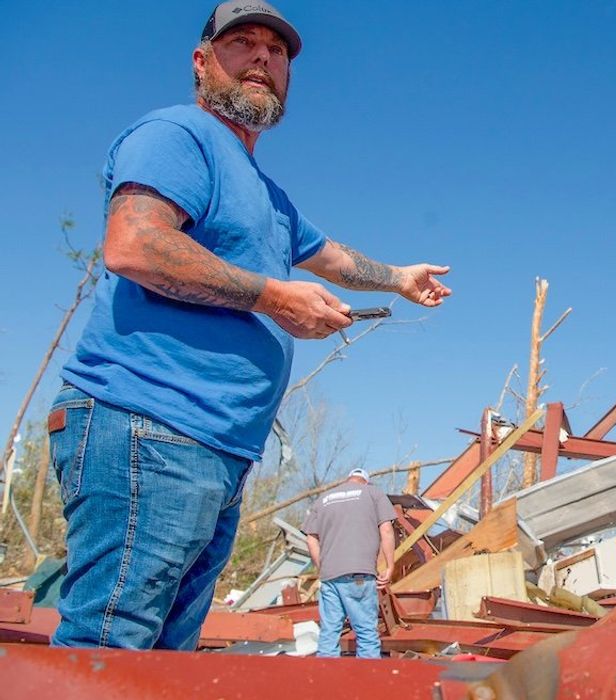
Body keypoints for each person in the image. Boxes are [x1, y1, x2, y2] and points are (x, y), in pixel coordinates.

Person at [47, 0, 450, 650]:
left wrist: (399, 277)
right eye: (243, 43)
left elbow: (334, 259)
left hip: (217, 450)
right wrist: (273, 297)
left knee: (161, 663)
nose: (263, 56)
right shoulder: (178, 135)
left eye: (278, 49)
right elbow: (135, 245)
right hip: (149, 423)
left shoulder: (266, 195)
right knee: (109, 651)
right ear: (202, 62)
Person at [301, 468, 395, 658]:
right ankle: (366, 682)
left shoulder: (324, 499)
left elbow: (311, 538)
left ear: (348, 480)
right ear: (365, 482)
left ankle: (326, 681)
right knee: (366, 631)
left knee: (329, 632)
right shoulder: (373, 493)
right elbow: (386, 530)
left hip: (330, 576)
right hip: (359, 573)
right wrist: (390, 565)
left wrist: (322, 567)